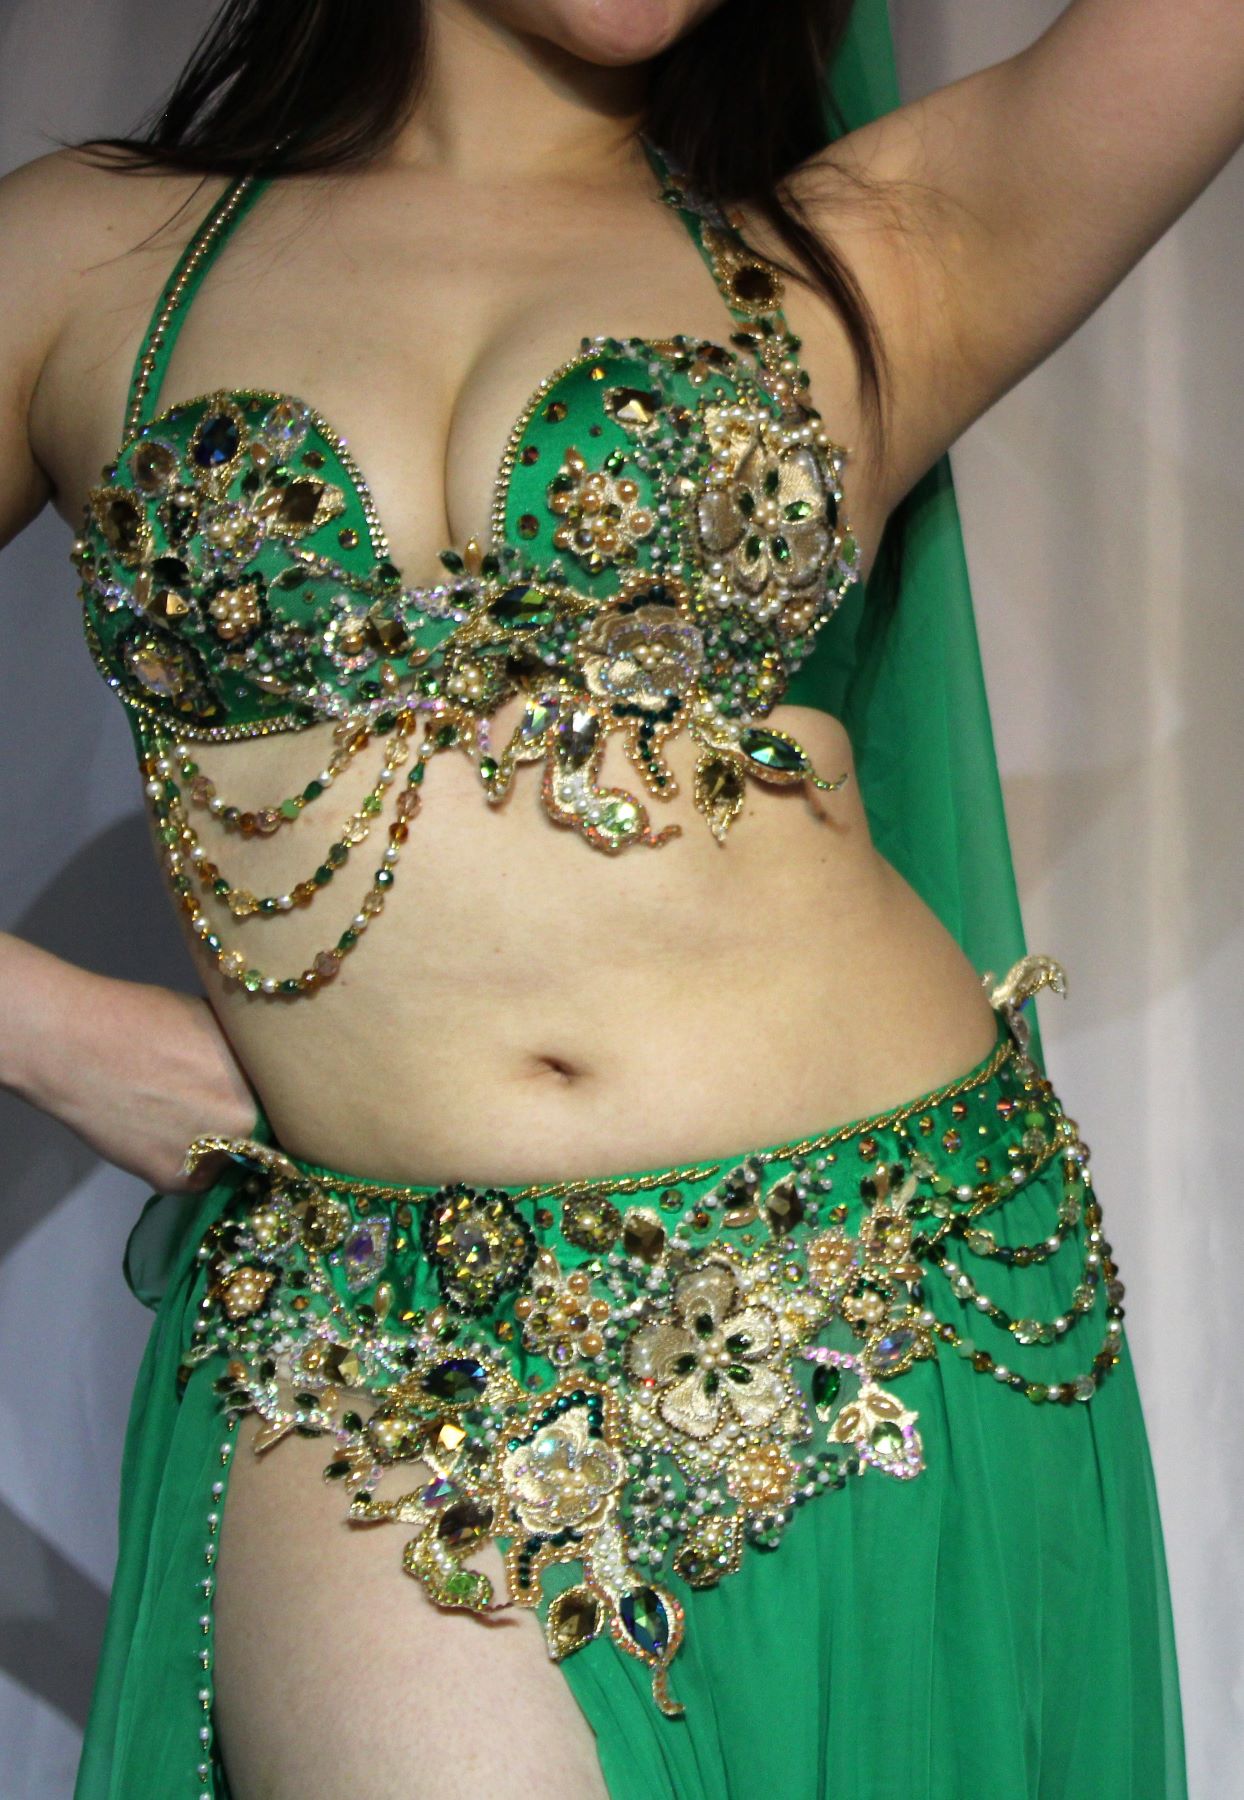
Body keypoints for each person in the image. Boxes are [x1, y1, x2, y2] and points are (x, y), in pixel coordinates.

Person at [1, 0, 1237, 1794]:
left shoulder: (876, 249)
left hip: (894, 1312)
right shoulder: (80, 257)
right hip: (386, 1361)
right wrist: (54, 1034)